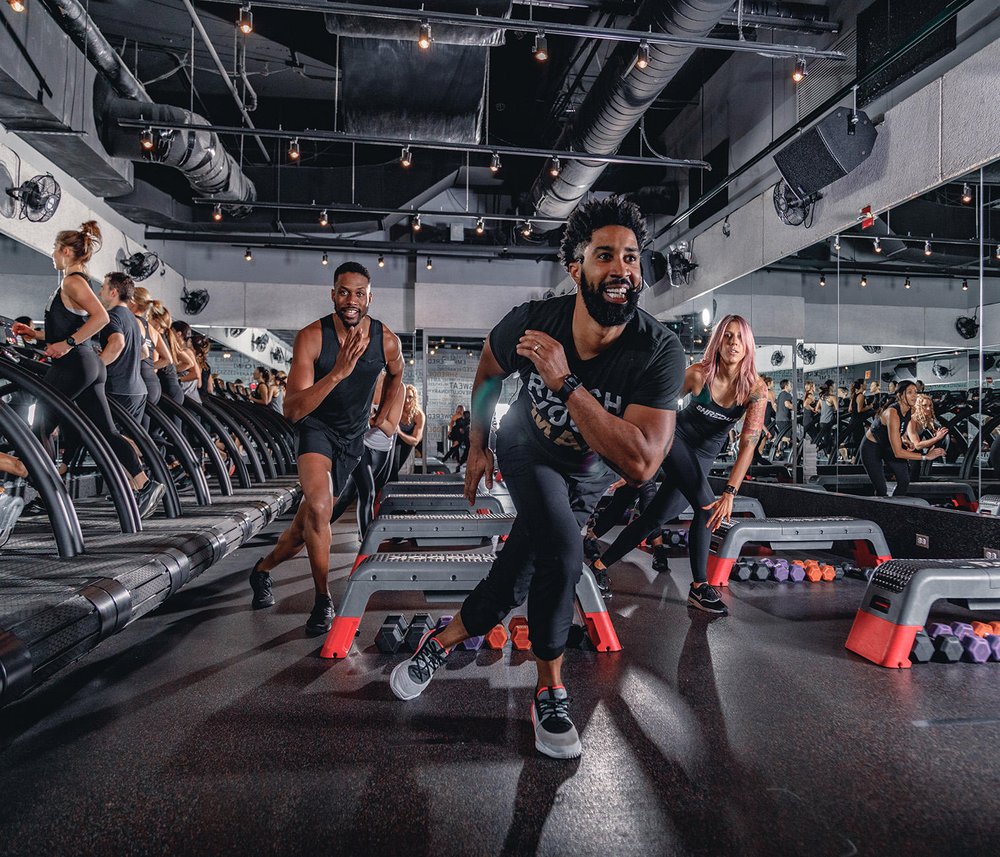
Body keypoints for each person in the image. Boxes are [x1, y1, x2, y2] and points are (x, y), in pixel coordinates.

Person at [389, 195, 685, 760]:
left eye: (630, 257)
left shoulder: (658, 351)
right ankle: (550, 690)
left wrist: (566, 382)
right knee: (564, 553)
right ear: (576, 268)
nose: (622, 269)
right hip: (526, 448)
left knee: (517, 573)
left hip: (589, 474)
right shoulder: (534, 321)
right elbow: (489, 367)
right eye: (605, 255)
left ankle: (440, 642)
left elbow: (642, 462)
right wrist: (478, 445)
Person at [248, 261, 403, 635]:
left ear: (369, 298)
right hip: (316, 431)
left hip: (352, 440)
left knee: (303, 528)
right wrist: (337, 373)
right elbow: (292, 409)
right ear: (333, 294)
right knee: (319, 507)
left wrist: (386, 414)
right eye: (344, 292)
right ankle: (324, 601)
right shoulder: (312, 337)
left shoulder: (386, 340)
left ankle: (262, 570)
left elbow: (398, 373)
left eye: (359, 294)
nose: (352, 301)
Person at [589, 315, 767, 612]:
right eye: (727, 336)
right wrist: (637, 456)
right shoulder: (698, 375)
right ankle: (699, 587)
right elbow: (655, 409)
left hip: (703, 457)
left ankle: (598, 566)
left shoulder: (755, 390)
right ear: (718, 342)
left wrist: (731, 491)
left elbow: (748, 444)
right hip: (675, 440)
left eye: (739, 337)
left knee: (654, 518)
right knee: (706, 508)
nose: (733, 343)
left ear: (748, 345)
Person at [11, 221, 164, 519]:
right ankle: (144, 484)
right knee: (105, 431)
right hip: (86, 365)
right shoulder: (75, 282)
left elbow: (100, 318)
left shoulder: (73, 281)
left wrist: (67, 344)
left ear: (66, 251)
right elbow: (74, 325)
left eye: (55, 249)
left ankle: (47, 492)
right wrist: (37, 335)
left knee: (40, 426)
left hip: (74, 366)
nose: (52, 255)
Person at [328, 370, 403, 539]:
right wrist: (375, 420)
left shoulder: (399, 388)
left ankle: (312, 529)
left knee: (349, 494)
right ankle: (366, 543)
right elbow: (349, 417)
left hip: (382, 449)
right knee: (367, 491)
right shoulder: (361, 381)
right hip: (359, 443)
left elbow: (390, 429)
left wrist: (370, 419)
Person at [860, 380, 945, 497]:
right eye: (910, 392)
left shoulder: (911, 409)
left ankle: (896, 506)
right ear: (900, 396)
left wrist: (904, 439)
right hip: (872, 447)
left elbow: (902, 427)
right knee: (881, 488)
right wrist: (926, 456)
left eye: (915, 392)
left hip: (887, 446)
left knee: (904, 480)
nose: (914, 395)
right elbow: (898, 452)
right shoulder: (892, 413)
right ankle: (879, 506)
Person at [97, 272, 147, 427]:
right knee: (128, 437)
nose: (99, 292)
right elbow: (144, 352)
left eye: (103, 287)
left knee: (104, 436)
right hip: (138, 390)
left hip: (117, 389)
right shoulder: (134, 319)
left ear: (113, 292)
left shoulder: (111, 316)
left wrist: (96, 366)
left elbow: (117, 343)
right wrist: (123, 359)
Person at [129, 287, 165, 432]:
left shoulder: (133, 322)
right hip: (153, 383)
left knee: (135, 431)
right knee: (143, 432)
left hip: (141, 381)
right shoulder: (152, 330)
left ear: (132, 301)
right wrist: (150, 367)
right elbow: (168, 359)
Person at [391, 384, 425, 479]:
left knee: (395, 469)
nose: (407, 400)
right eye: (405, 396)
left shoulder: (419, 415)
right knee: (390, 470)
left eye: (410, 397)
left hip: (407, 442)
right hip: (393, 440)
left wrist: (400, 432)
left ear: (414, 398)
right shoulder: (396, 409)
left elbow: (415, 441)